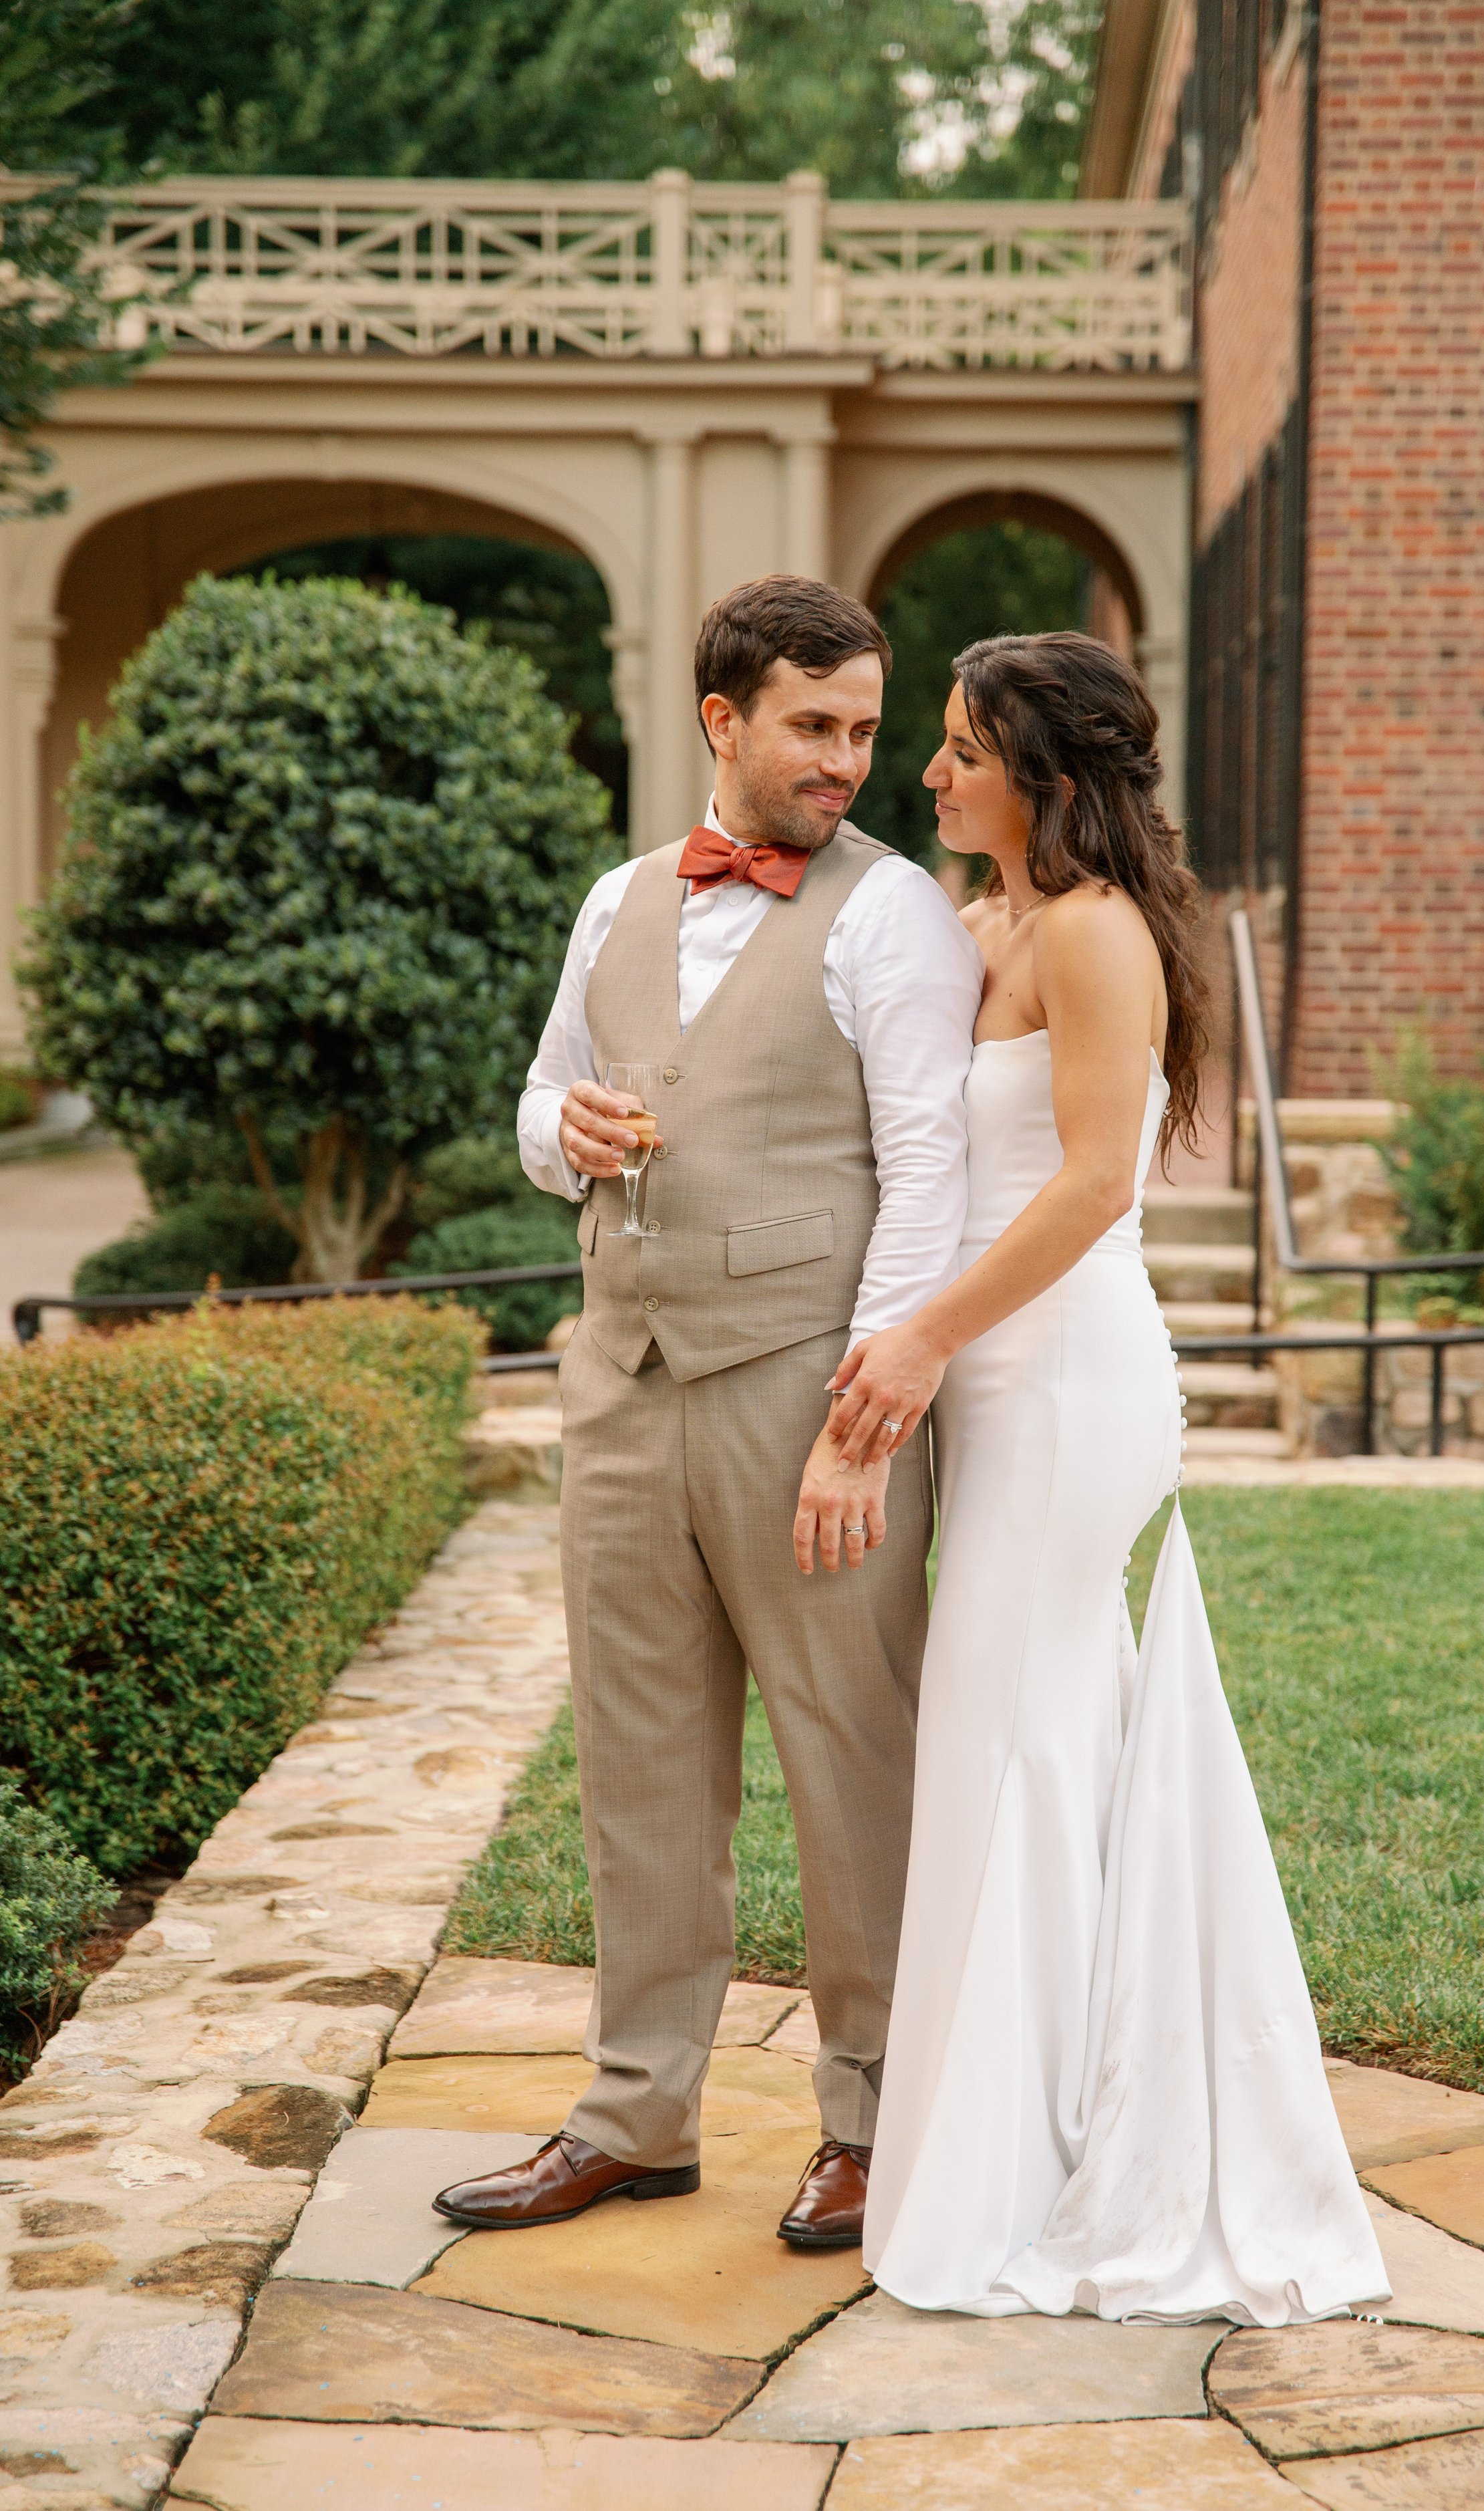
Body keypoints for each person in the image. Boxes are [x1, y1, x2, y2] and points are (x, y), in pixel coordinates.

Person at [833, 632, 1388, 2322]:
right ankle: (1040, 2124)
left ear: (1046, 776)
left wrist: (921, 1338)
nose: (927, 774)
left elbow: (1089, 1187)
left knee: (1011, 1735)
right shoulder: (986, 918)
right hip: (997, 1374)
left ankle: (1046, 2166)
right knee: (1020, 1736)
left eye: (957, 750)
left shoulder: (1088, 931)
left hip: (1063, 1379)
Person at [432, 576, 984, 2251]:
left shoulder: (891, 915)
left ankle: (876, 2117)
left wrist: (865, 1416)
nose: (845, 763)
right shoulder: (615, 901)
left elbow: (930, 1175)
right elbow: (537, 1098)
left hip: (800, 1388)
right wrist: (567, 1137)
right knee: (640, 1765)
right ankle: (633, 2112)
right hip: (618, 1385)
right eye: (812, 727)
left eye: (865, 730)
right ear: (719, 721)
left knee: (849, 1758)